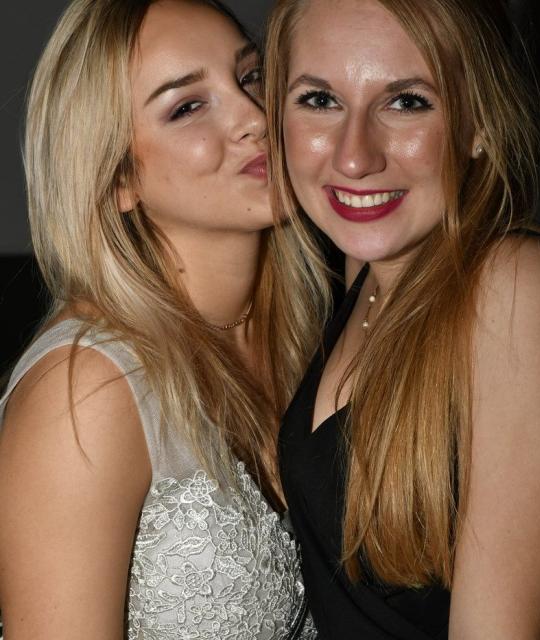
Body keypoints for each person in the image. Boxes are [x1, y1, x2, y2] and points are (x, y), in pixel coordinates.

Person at [265, 0, 540, 638]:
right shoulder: (368, 276)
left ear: (478, 123)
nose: (354, 157)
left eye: (407, 102)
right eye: (320, 100)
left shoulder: (518, 291)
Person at [0, 0, 326, 637]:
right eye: (187, 106)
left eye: (251, 76)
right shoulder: (86, 389)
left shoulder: (313, 332)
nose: (255, 118)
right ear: (119, 177)